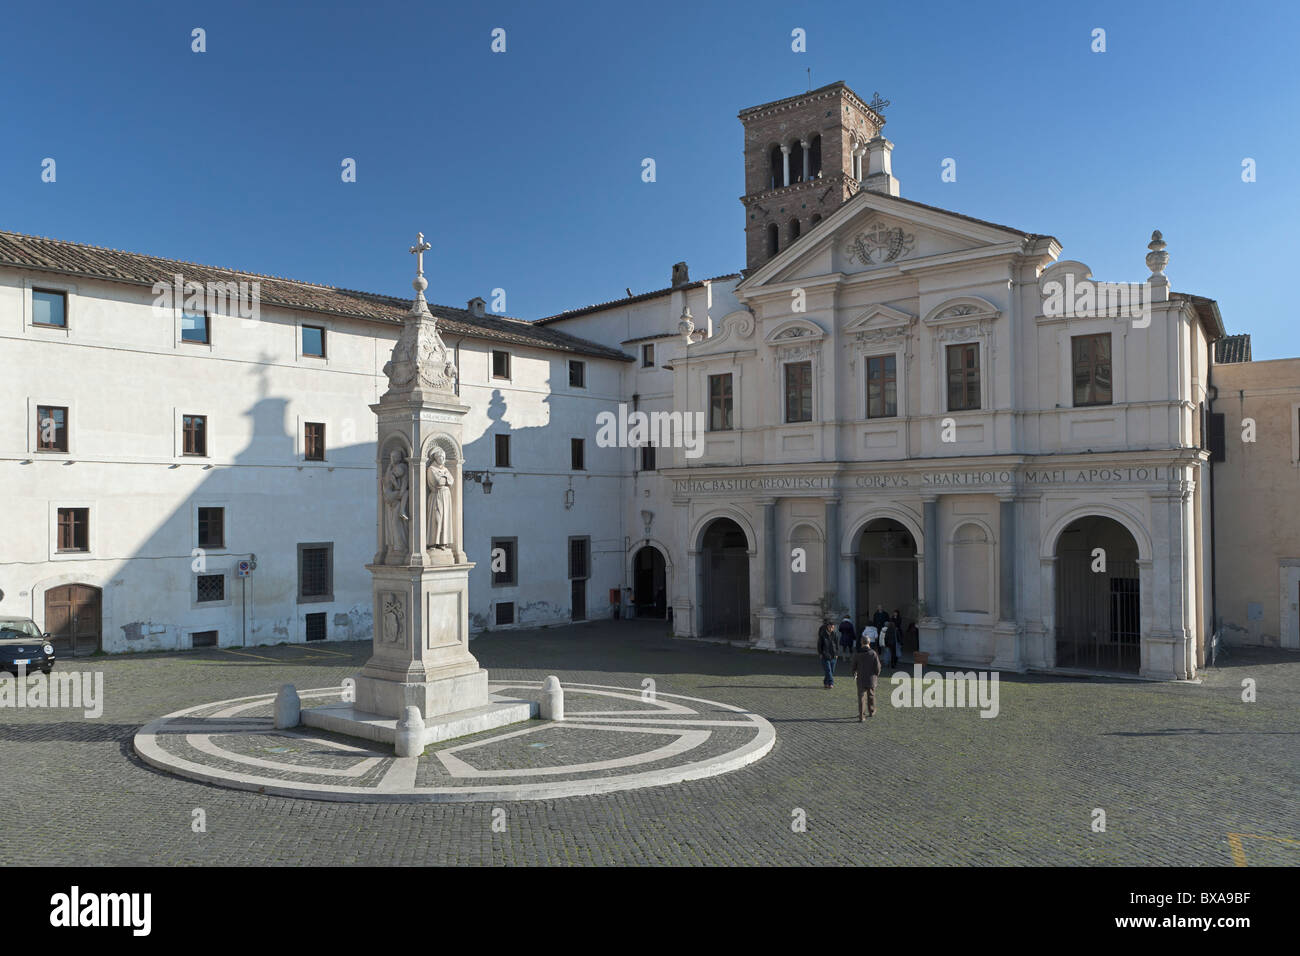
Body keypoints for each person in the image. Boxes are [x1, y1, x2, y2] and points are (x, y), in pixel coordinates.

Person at [852, 638, 883, 720]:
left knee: (861, 697)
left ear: (861, 643)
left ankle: (862, 716)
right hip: (871, 678)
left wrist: (854, 673)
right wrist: (877, 674)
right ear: (869, 643)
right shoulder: (873, 653)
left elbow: (854, 666)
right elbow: (878, 667)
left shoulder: (858, 654)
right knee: (871, 695)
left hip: (861, 678)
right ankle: (871, 711)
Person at [817, 619, 839, 689]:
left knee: (831, 670)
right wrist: (820, 653)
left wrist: (837, 653)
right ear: (827, 627)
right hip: (825, 655)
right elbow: (819, 644)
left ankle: (826, 682)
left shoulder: (835, 634)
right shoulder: (823, 634)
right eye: (830, 627)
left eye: (833, 627)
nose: (832, 629)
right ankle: (831, 683)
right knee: (828, 670)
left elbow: (837, 644)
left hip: (833, 655)